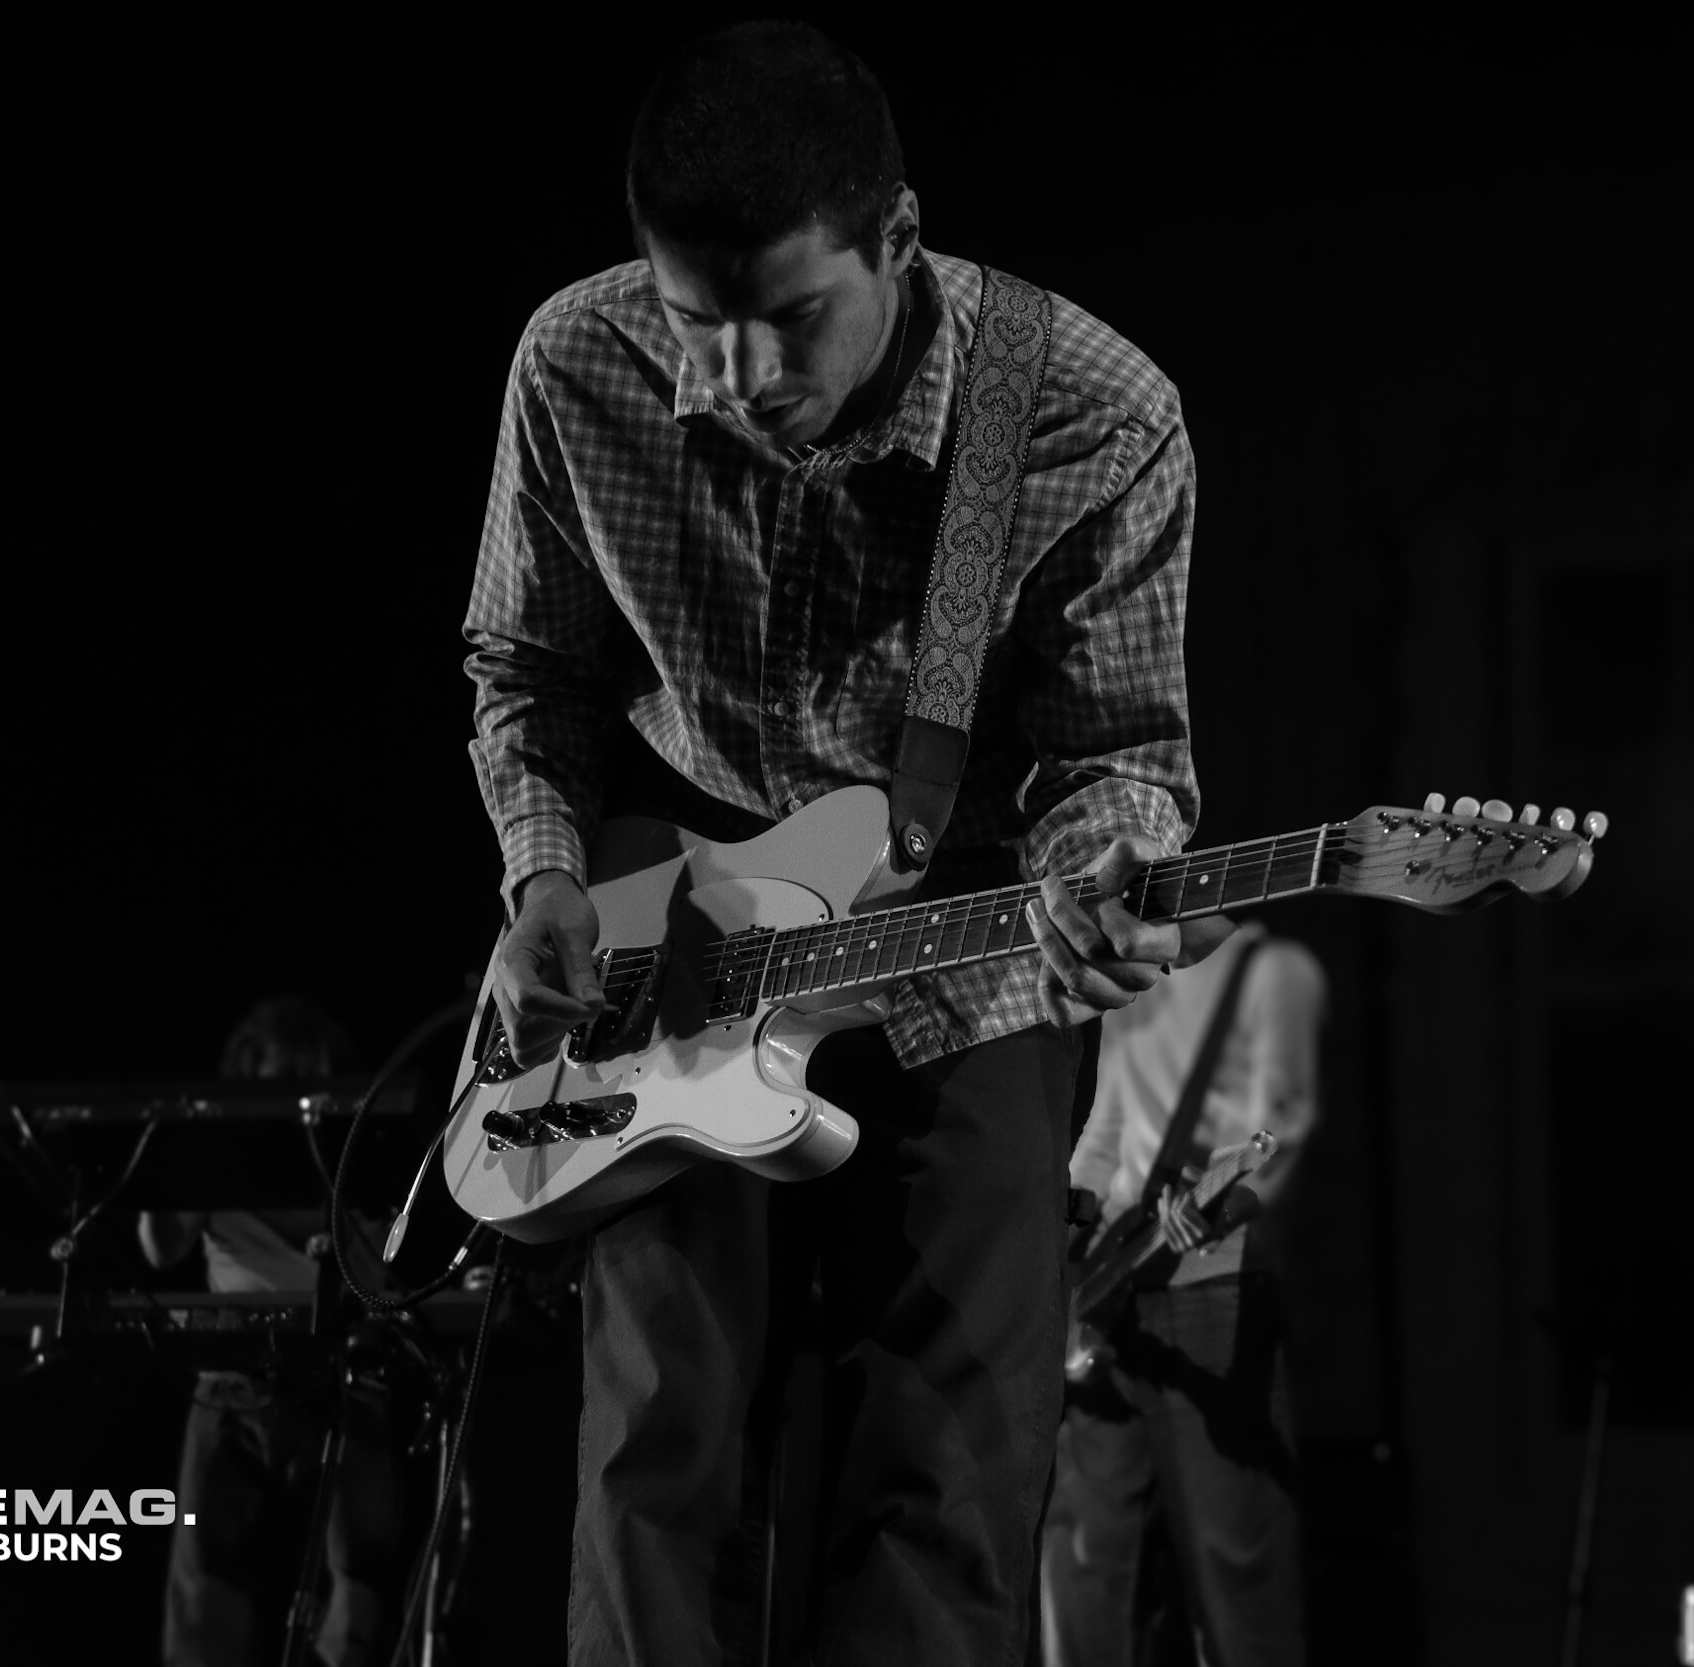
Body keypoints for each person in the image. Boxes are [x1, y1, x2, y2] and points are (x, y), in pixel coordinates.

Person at [465, 22, 1240, 1663]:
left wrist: (1103, 876)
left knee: (948, 1467)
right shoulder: (575, 361)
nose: (737, 381)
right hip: (674, 930)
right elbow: (531, 670)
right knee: (654, 1457)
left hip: (970, 923)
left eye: (791, 318)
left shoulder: (1097, 415)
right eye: (697, 324)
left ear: (898, 237)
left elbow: (1115, 755)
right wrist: (541, 874)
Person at [1041, 922, 1326, 1667]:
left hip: (1214, 1287)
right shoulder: (1135, 972)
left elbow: (1285, 1136)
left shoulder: (1274, 969)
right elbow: (1106, 1129)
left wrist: (1226, 1206)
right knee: (1081, 1567)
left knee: (1236, 1566)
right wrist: (1066, 1248)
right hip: (1104, 1288)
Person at [136, 997, 404, 1667]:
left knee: (361, 1583)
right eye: (281, 1076)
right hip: (235, 1372)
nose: (296, 1095)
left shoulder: (349, 1153)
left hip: (341, 1367)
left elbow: (384, 1276)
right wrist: (167, 1163)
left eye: (311, 1077)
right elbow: (160, 1247)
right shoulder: (222, 1152)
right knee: (205, 1589)